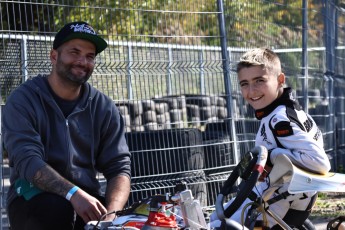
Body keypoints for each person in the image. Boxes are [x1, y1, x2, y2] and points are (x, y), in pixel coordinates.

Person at [2, 21, 131, 230]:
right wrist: (72, 194)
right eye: (75, 52)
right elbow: (27, 159)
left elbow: (119, 167)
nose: (82, 61)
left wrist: (111, 215)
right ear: (54, 56)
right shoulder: (23, 100)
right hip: (32, 197)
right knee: (56, 208)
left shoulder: (104, 107)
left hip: (85, 197)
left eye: (90, 56)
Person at [210, 48, 331, 229]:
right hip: (272, 195)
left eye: (260, 81)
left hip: (278, 202)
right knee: (212, 217)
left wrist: (272, 155)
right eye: (244, 84)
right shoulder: (285, 111)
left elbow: (320, 163)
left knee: (214, 224)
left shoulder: (279, 119)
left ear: (280, 80)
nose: (251, 91)